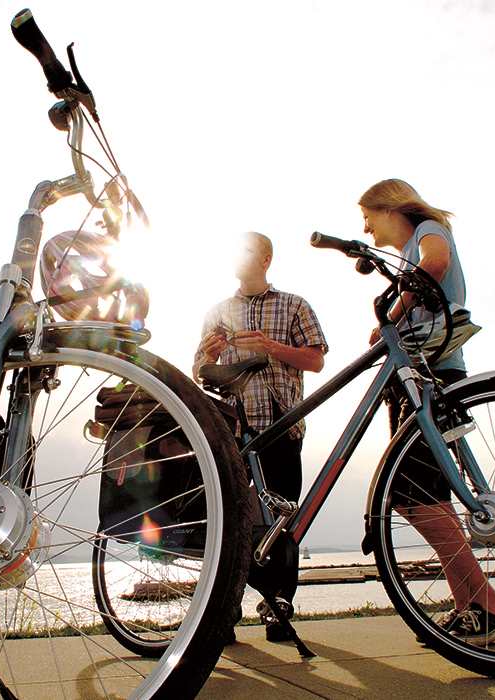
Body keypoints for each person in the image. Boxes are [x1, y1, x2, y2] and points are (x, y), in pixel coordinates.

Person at [359, 178, 495, 644]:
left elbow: (436, 263)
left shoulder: (427, 229)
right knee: (428, 496)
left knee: (409, 495)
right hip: (421, 374)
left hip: (430, 378)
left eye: (367, 217)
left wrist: (395, 310)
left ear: (389, 208)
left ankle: (486, 600)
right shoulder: (410, 246)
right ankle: (471, 607)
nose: (366, 230)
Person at [193, 232, 327, 644]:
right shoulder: (218, 310)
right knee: (226, 519)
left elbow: (317, 359)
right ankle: (224, 611)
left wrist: (270, 347)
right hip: (231, 428)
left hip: (282, 425)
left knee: (282, 519)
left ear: (266, 258)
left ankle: (277, 608)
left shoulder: (294, 305)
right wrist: (209, 355)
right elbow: (199, 368)